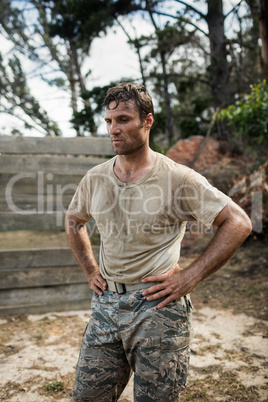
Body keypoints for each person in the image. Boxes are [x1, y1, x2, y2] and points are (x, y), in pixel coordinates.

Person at [65, 82, 252, 402]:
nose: (114, 129)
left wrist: (190, 276)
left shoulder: (178, 178)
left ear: (147, 121)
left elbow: (238, 222)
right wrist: (90, 269)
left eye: (123, 119)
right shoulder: (95, 178)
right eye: (109, 121)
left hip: (158, 308)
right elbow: (73, 221)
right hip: (106, 307)